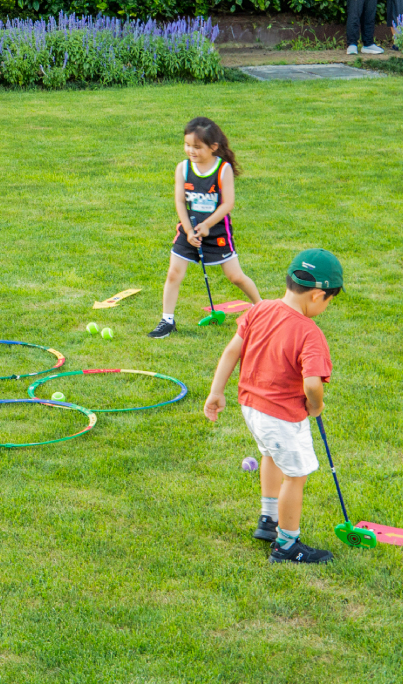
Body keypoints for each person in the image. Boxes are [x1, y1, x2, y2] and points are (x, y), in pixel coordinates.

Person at [204, 249, 343, 564]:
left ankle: (268, 519)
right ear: (318, 295)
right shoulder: (310, 333)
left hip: (251, 408)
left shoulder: (260, 309)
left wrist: (216, 392)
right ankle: (286, 545)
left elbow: (232, 350)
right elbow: (312, 384)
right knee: (296, 475)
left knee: (270, 455)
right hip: (282, 417)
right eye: (329, 301)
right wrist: (316, 405)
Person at [147, 117, 261, 339]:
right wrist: (189, 231)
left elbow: (228, 203)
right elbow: (180, 201)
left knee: (235, 276)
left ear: (213, 147)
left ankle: (263, 309)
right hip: (188, 230)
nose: (191, 150)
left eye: (197, 147)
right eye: (187, 145)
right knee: (174, 273)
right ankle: (167, 320)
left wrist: (208, 224)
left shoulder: (223, 169)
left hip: (217, 232)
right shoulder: (183, 168)